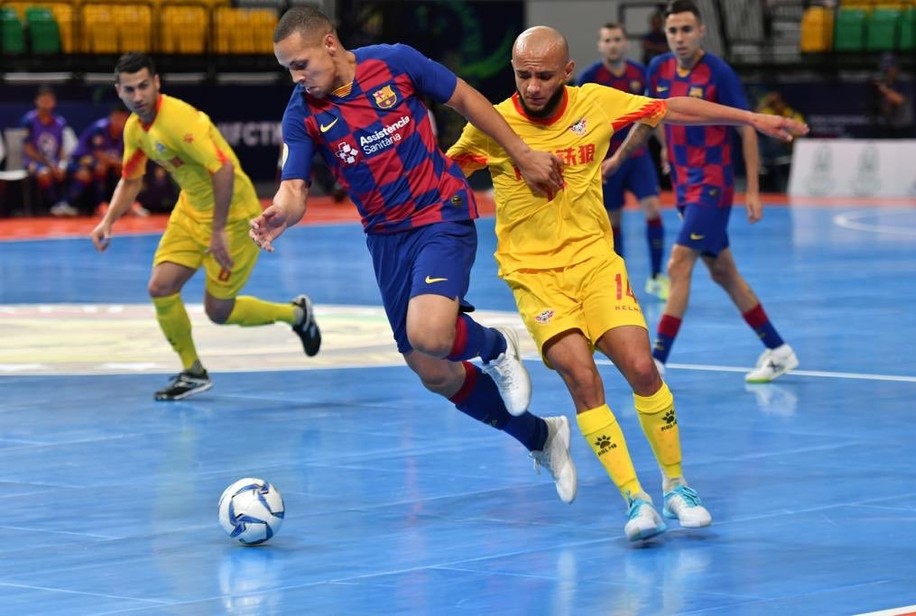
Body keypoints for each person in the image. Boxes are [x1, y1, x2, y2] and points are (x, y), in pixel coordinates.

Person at [447, 26, 806, 540]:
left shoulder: (596, 103)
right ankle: (634, 500)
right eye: (523, 75)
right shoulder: (493, 126)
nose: (531, 86)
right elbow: (438, 177)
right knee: (579, 374)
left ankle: (677, 485)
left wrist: (749, 118)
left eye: (544, 76)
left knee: (641, 366)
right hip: (535, 277)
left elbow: (674, 108)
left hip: (595, 263)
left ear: (567, 72)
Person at [249, 6, 577, 504]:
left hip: (438, 211)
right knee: (432, 369)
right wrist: (280, 211)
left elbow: (465, 98)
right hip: (385, 238)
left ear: (330, 44)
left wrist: (520, 152)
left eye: (301, 64)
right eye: (287, 69)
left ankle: (494, 346)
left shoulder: (395, 62)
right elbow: (293, 187)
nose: (296, 78)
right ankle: (541, 437)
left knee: (430, 333)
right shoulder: (302, 112)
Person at [90, 52, 322, 401]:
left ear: (156, 83)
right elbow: (130, 179)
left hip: (234, 217)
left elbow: (224, 169)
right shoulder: (135, 129)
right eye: (129, 90)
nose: (137, 96)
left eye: (143, 86)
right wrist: (108, 221)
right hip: (191, 210)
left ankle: (296, 315)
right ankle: (192, 371)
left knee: (219, 311)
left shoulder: (180, 120)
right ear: (118, 91)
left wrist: (217, 233)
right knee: (160, 287)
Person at [617, 0, 801, 384]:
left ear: (701, 31)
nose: (679, 38)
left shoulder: (719, 73)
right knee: (724, 273)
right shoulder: (659, 69)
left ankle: (658, 361)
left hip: (713, 187)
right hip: (684, 186)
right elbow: (653, 117)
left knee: (678, 263)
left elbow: (747, 127)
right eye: (672, 31)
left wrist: (752, 188)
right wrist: (619, 159)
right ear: (664, 34)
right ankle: (779, 350)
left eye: (686, 30)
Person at [576, 21, 669, 301]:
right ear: (600, 45)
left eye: (617, 39)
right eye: (607, 40)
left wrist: (665, 147)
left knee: (652, 208)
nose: (613, 44)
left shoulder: (640, 74)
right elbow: (580, 122)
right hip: (605, 161)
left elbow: (654, 113)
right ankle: (622, 280)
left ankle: (655, 276)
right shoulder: (588, 77)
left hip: (637, 156)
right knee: (612, 220)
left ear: (625, 43)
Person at [65, 103, 148, 217]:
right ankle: (100, 205)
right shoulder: (99, 129)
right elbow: (98, 154)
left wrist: (124, 164)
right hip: (82, 160)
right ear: (111, 117)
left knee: (129, 170)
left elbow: (130, 153)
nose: (119, 121)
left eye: (122, 118)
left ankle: (129, 204)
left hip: (108, 163)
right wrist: (119, 163)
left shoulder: (127, 132)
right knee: (101, 167)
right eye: (117, 118)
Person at [20, 85, 74, 216]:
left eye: (49, 100)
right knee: (44, 173)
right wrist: (48, 164)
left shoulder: (60, 122)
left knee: (79, 172)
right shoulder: (28, 120)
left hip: (54, 161)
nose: (46, 103)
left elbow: (61, 147)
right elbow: (28, 149)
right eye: (43, 100)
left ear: (54, 102)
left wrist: (61, 164)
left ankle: (64, 203)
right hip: (33, 161)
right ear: (36, 101)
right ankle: (56, 204)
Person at [755, 90, 804, 192]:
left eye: (778, 102)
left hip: (786, 150)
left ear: (784, 103)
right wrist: (766, 101)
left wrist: (788, 138)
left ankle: (783, 190)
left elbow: (801, 131)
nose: (777, 105)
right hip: (768, 152)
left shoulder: (792, 115)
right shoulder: (768, 113)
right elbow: (754, 118)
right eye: (774, 103)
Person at [870, 53, 915, 140]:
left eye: (889, 69)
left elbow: (900, 100)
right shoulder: (886, 84)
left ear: (896, 68)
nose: (887, 72)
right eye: (885, 70)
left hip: (904, 127)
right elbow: (886, 109)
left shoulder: (903, 82)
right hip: (890, 126)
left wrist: (885, 90)